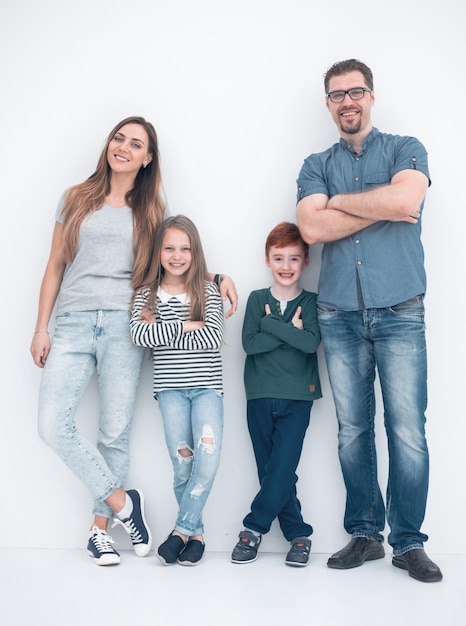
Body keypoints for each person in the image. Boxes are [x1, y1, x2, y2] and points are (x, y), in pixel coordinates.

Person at [31, 117, 237, 567]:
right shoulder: (76, 199)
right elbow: (54, 265)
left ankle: (100, 531)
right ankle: (126, 504)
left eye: (136, 143)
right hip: (72, 322)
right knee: (52, 425)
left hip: (126, 327)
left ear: (148, 159)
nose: (123, 147)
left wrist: (215, 278)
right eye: (118, 138)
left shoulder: (151, 213)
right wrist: (41, 327)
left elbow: (175, 263)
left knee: (114, 432)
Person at [296, 59, 442, 583]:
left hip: (400, 307)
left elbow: (406, 198)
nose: (347, 101)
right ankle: (365, 534)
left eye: (355, 91)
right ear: (329, 104)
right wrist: (372, 207)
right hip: (337, 312)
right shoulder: (315, 164)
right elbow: (310, 228)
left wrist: (339, 205)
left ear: (372, 96)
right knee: (352, 431)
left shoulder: (406, 148)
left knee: (407, 431)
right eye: (337, 95)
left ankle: (407, 542)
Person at [130, 215, 225, 566]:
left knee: (208, 460)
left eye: (184, 248)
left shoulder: (208, 290)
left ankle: (180, 532)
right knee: (182, 464)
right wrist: (187, 324)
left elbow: (213, 335)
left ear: (194, 252)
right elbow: (140, 335)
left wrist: (166, 329)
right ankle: (196, 536)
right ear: (158, 252)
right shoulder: (147, 294)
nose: (176, 255)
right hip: (169, 390)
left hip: (206, 389)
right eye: (169, 248)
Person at [231, 221, 322, 567]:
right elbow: (249, 345)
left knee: (282, 467)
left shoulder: (311, 302)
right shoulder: (257, 300)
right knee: (271, 470)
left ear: (306, 262)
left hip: (298, 396)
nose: (286, 266)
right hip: (259, 395)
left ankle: (253, 528)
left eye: (294, 259)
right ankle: (299, 535)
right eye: (279, 258)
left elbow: (310, 342)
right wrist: (286, 329)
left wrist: (271, 325)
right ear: (267, 260)